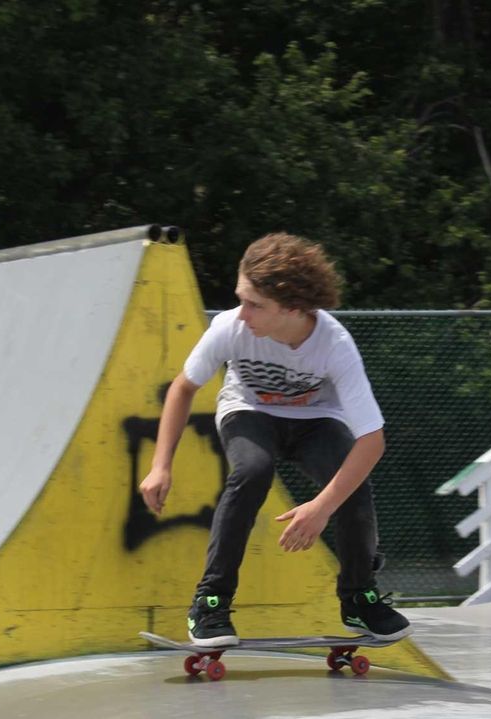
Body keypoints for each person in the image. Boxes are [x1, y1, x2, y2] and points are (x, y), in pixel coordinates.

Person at [138, 232, 411, 647]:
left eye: (254, 304)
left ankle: (359, 597)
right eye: (241, 298)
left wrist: (321, 508)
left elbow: (372, 440)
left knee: (349, 486)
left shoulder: (335, 345)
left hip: (315, 420)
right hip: (248, 411)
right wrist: (161, 466)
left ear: (292, 308)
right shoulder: (230, 328)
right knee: (252, 470)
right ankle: (210, 601)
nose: (242, 313)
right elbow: (182, 388)